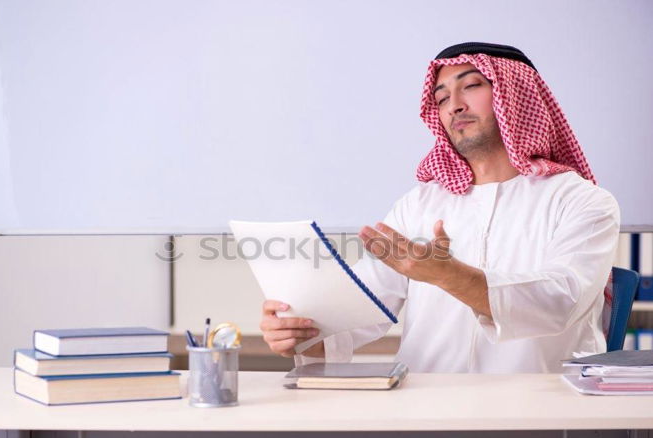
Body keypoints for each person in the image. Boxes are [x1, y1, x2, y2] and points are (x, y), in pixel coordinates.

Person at [259, 42, 620, 373]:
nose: (454, 105)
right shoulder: (418, 205)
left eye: (473, 85)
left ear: (518, 96)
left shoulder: (583, 201)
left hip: (542, 412)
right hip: (423, 410)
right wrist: (302, 332)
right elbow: (362, 309)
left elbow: (561, 301)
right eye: (442, 97)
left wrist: (449, 275)